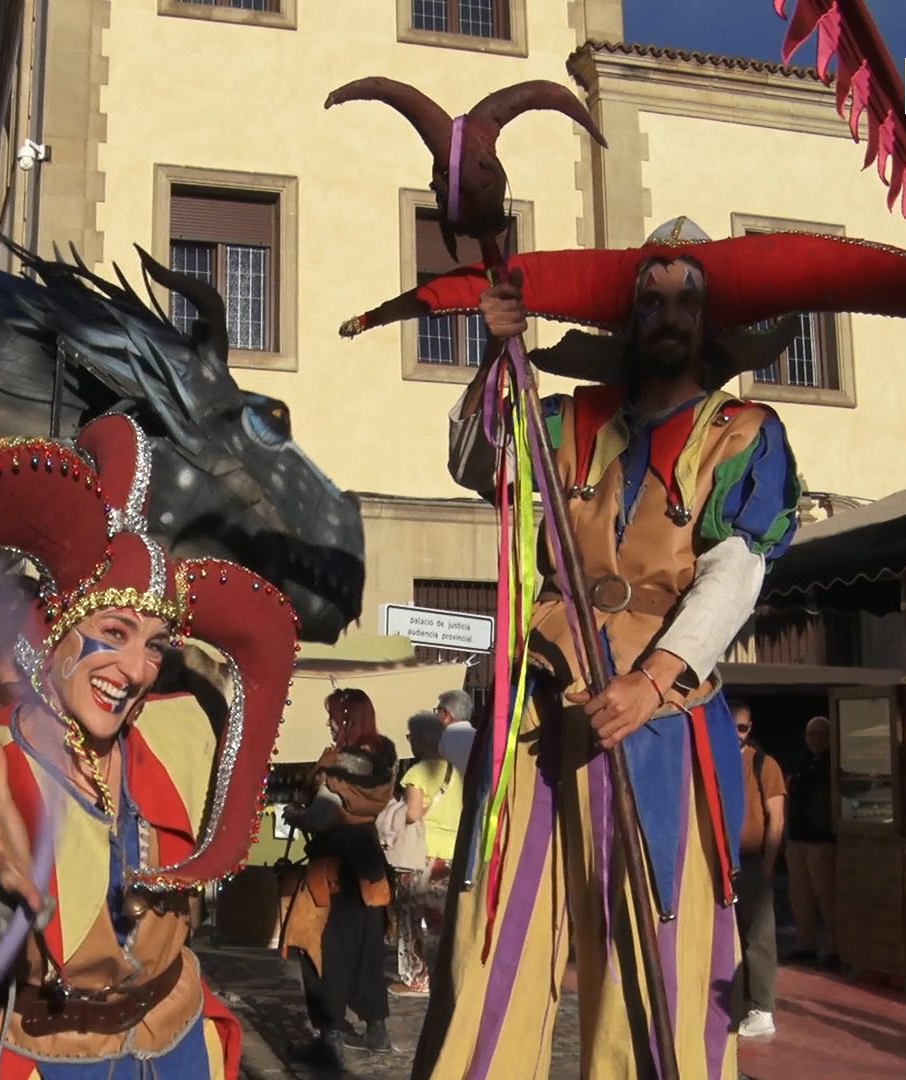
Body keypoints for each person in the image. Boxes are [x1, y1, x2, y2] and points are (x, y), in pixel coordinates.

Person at [345, 214, 807, 1080]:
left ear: (710, 326)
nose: (668, 314)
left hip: (659, 726)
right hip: (537, 715)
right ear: (627, 322)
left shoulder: (744, 433)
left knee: (654, 963)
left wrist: (654, 680)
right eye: (651, 298)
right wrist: (494, 355)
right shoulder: (565, 418)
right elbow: (475, 458)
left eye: (686, 299)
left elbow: (737, 567)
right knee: (490, 948)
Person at [0, 414, 299, 1078]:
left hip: (176, 1040)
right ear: (52, 635)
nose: (137, 668)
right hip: (48, 1059)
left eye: (155, 645)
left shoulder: (180, 733)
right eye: (114, 632)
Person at [278, 688, 398, 1063]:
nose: (329, 723)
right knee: (367, 950)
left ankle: (330, 1037)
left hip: (333, 869)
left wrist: (296, 813)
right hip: (370, 865)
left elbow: (322, 816)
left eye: (334, 716)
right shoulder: (382, 763)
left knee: (323, 949)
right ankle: (376, 1030)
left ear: (347, 720)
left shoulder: (337, 767)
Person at [391, 710, 458, 998]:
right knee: (442, 921)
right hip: (453, 855)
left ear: (418, 739)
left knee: (412, 918)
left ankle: (417, 978)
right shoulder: (456, 770)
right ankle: (446, 977)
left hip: (421, 854)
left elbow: (413, 814)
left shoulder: (418, 773)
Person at [732, 702, 785, 1038]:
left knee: (758, 936)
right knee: (731, 936)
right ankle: (738, 1003)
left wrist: (768, 863)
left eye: (743, 728)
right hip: (722, 862)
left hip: (751, 860)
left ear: (751, 729)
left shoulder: (764, 764)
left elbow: (776, 817)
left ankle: (762, 1008)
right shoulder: (714, 757)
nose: (738, 733)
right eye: (733, 726)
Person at [785, 715, 838, 968]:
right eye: (811, 735)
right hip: (797, 837)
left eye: (820, 735)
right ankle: (805, 945)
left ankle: (836, 948)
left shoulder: (835, 764)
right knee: (800, 895)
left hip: (822, 839)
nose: (815, 741)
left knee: (826, 895)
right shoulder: (800, 762)